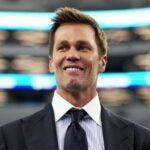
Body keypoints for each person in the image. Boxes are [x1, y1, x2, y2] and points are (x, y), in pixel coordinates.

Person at [0, 7, 150, 150]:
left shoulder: (141, 141)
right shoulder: (9, 139)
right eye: (63, 47)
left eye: (82, 47)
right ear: (51, 63)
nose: (72, 55)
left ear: (102, 62)